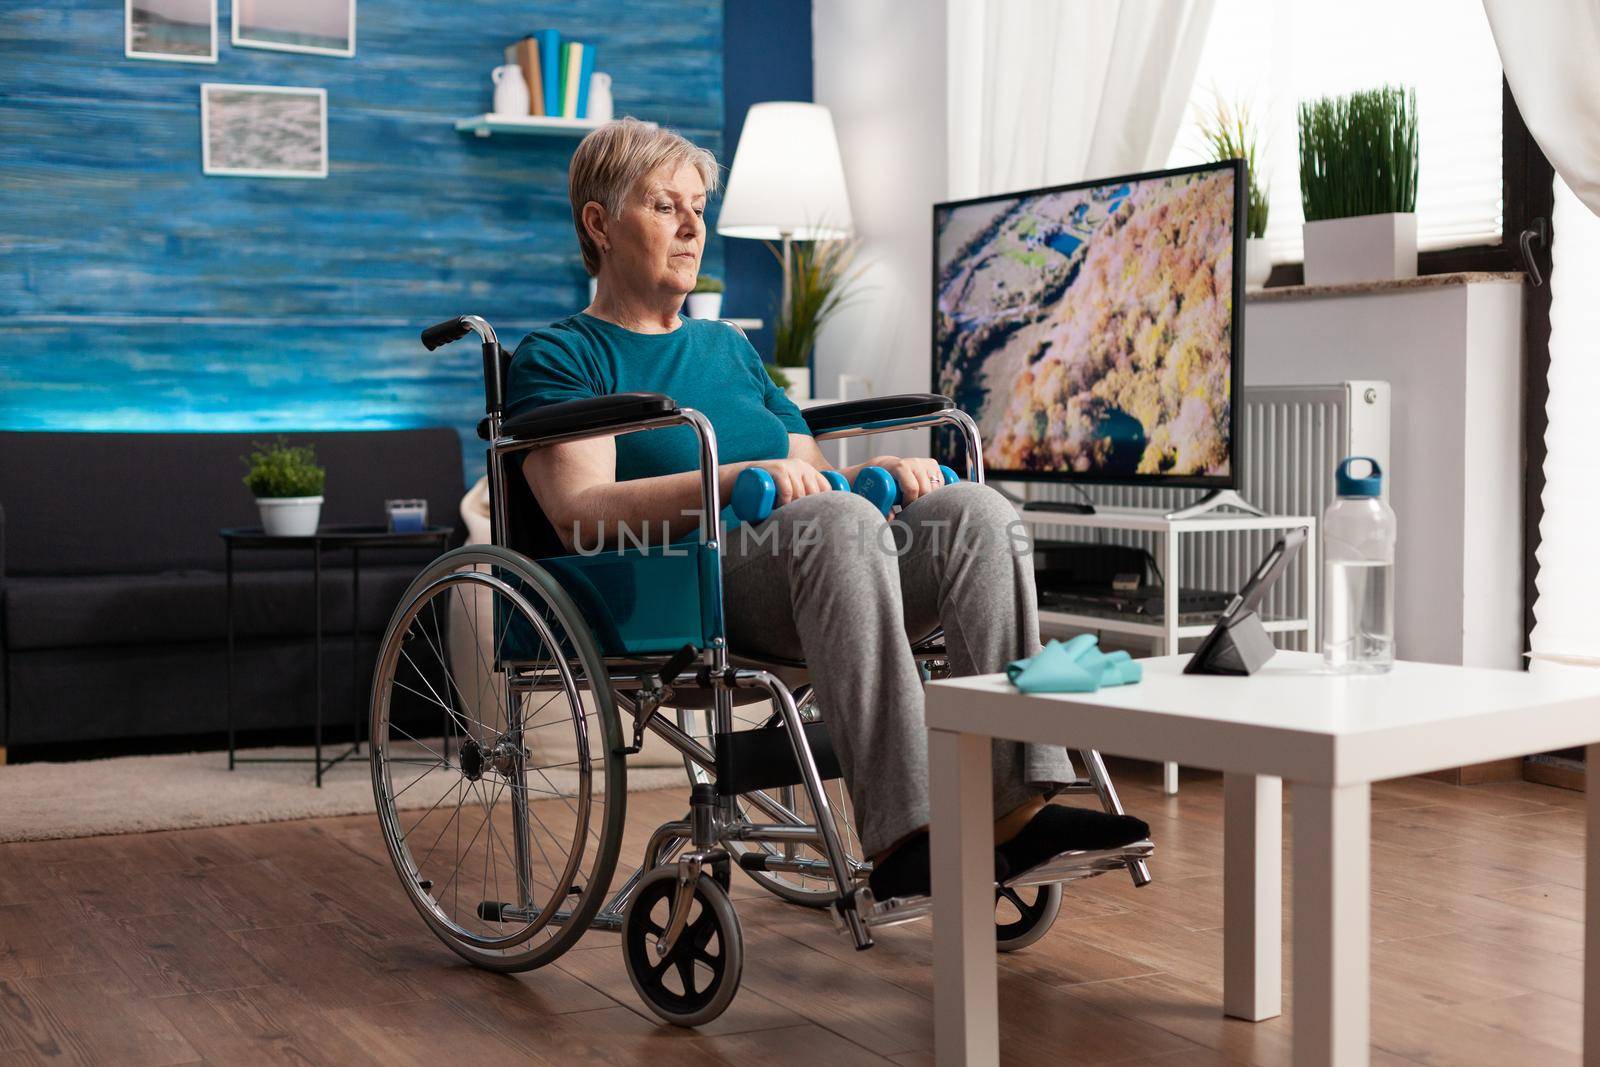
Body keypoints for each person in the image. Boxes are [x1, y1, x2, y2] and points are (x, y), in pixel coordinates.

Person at [505, 117, 1147, 899]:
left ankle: (1016, 811)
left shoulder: (728, 349)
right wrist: (736, 477)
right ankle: (909, 834)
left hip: (817, 561)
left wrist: (875, 471)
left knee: (977, 513)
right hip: (686, 589)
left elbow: (807, 471)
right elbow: (582, 511)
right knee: (837, 526)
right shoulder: (565, 354)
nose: (690, 227)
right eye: (665, 205)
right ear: (599, 224)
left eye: (699, 208)